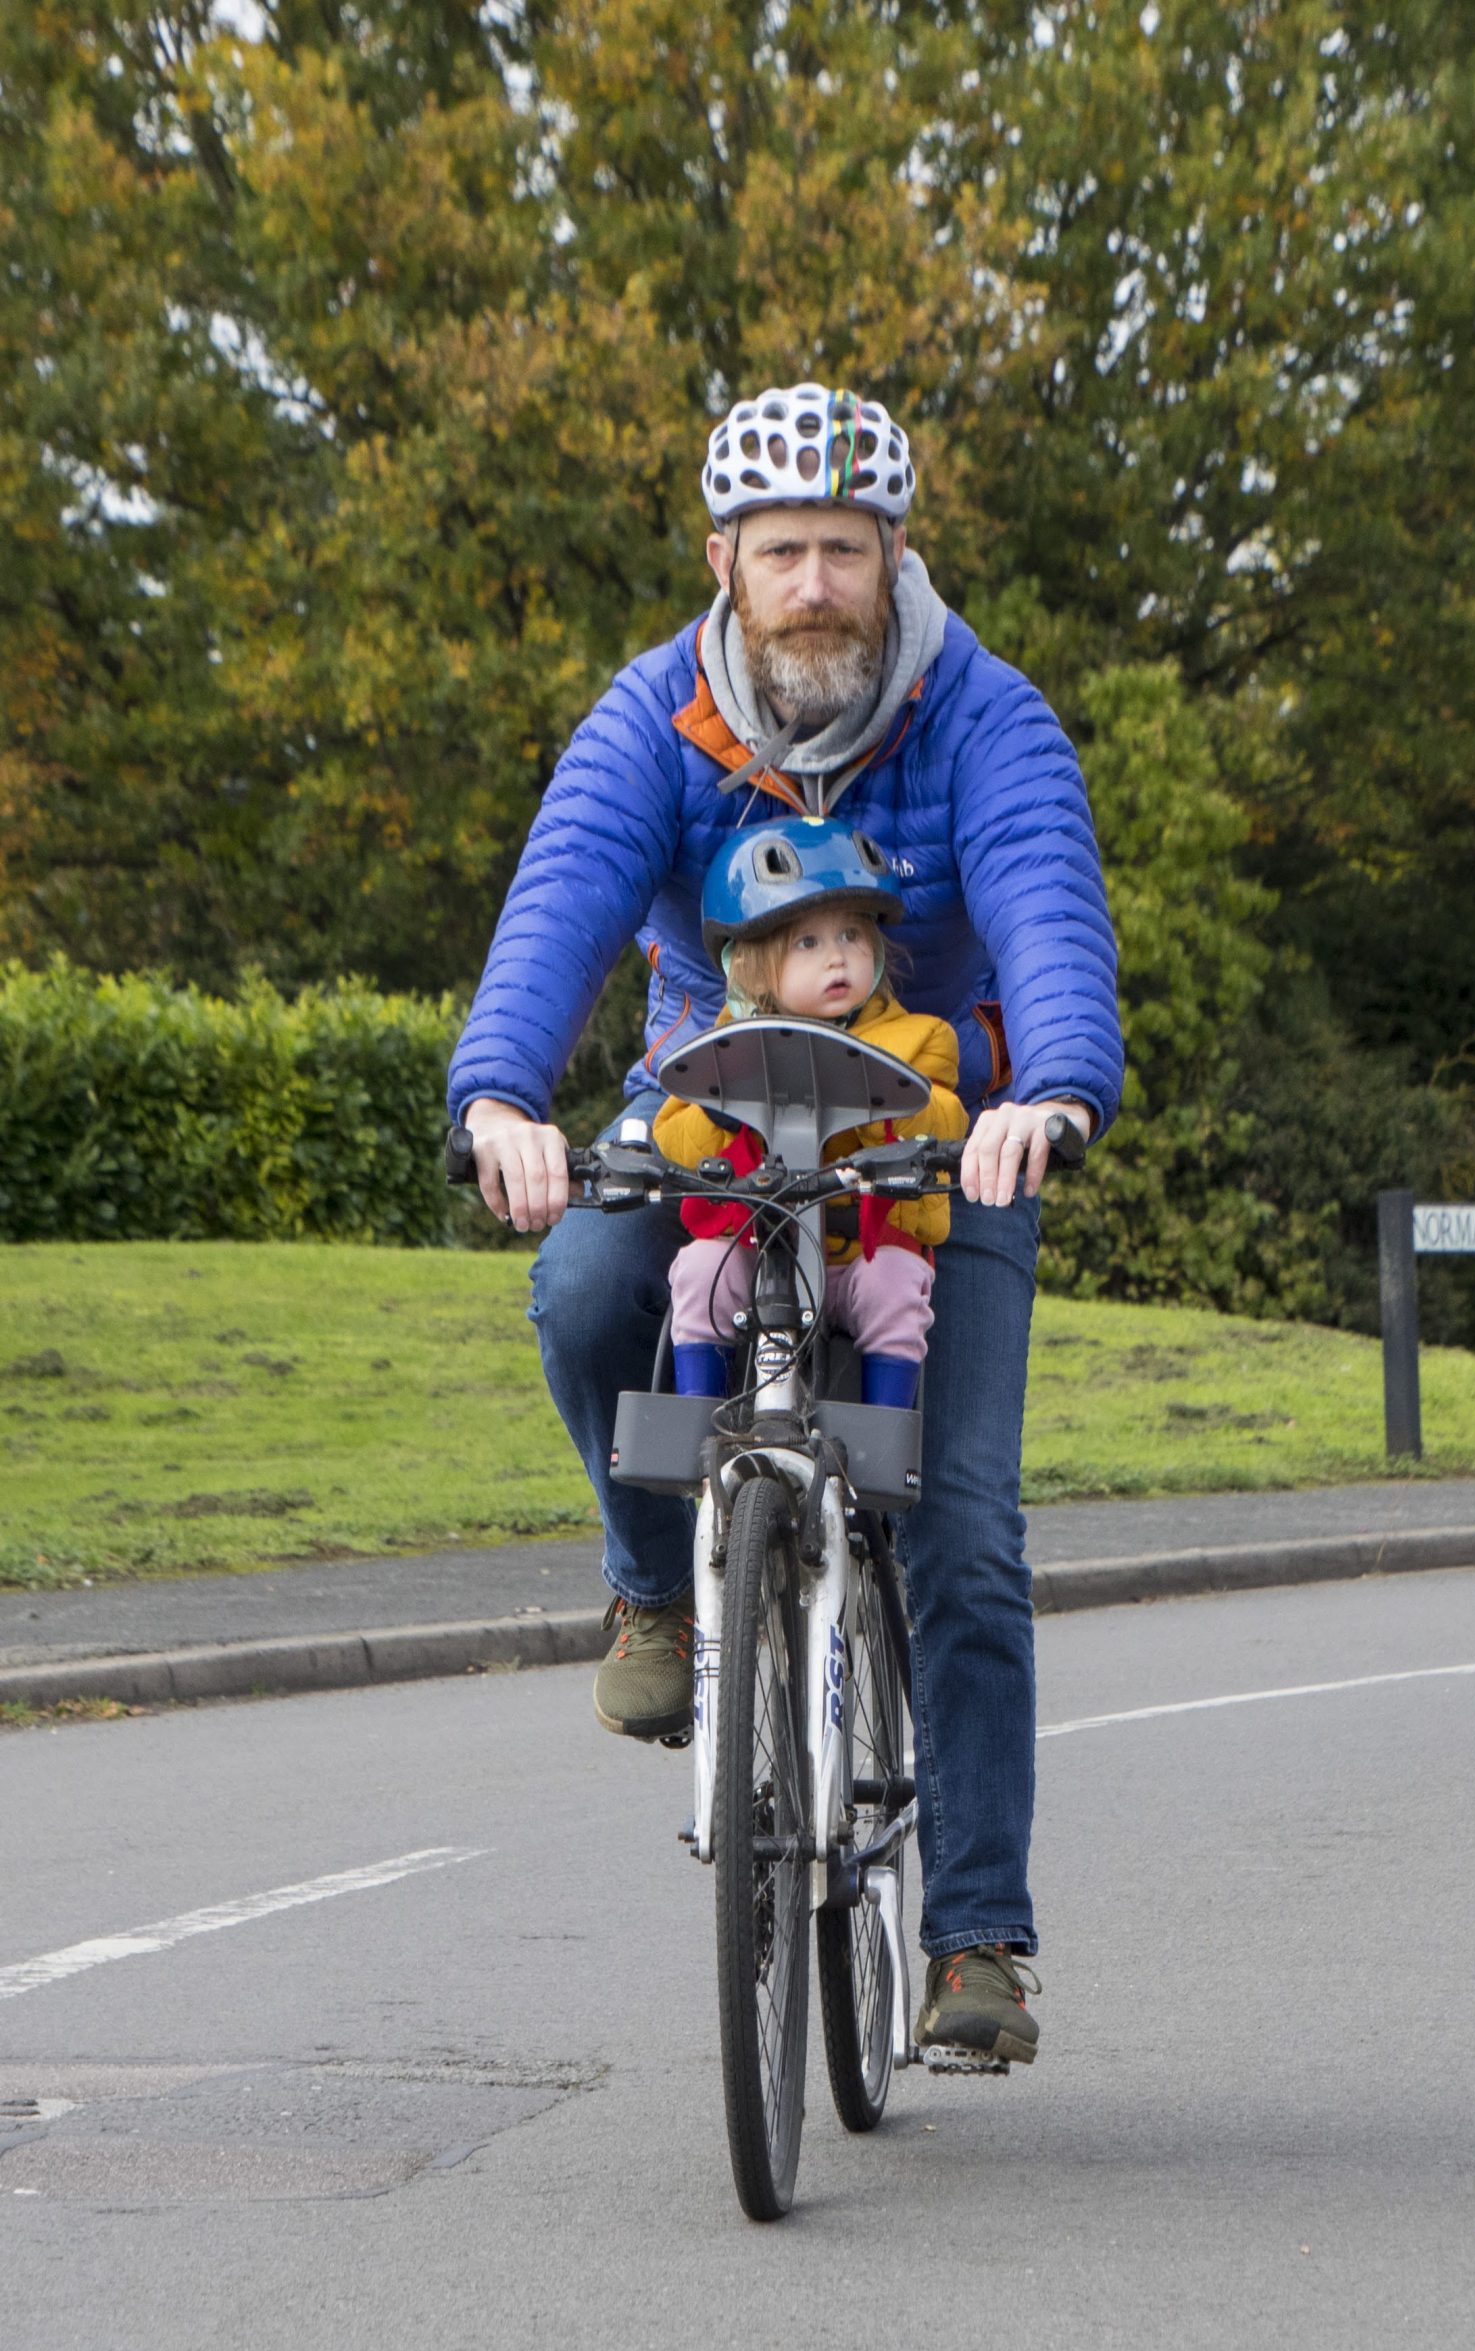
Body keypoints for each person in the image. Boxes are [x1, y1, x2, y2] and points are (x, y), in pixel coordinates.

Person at [447, 382, 1121, 2070]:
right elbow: (562, 905)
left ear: (897, 556)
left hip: (931, 1129)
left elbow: (1045, 911)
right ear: (722, 562)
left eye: (844, 548)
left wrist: (1051, 1096)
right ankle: (650, 1591)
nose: (815, 581)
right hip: (712, 1092)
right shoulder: (653, 716)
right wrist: (500, 1103)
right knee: (585, 1284)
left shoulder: (985, 716)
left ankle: (975, 1937)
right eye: (782, 552)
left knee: (963, 1524)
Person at [654, 818, 965, 1411]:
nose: (837, 959)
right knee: (699, 1271)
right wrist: (720, 1113)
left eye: (852, 935)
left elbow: (946, 1120)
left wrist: (881, 1101)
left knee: (896, 1289)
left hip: (859, 1256)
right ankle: (698, 1426)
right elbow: (674, 1141)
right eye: (808, 943)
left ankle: (884, 1428)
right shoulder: (728, 1046)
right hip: (759, 1249)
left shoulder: (918, 1039)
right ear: (751, 966)